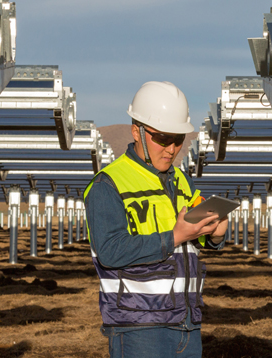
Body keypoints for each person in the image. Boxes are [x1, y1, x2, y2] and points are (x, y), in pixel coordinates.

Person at [84, 81, 228, 358]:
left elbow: (191, 240)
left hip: (187, 323)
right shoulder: (108, 184)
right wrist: (175, 236)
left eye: (178, 140)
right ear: (136, 131)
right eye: (162, 138)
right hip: (139, 327)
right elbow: (111, 252)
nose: (172, 149)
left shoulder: (182, 181)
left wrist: (215, 236)